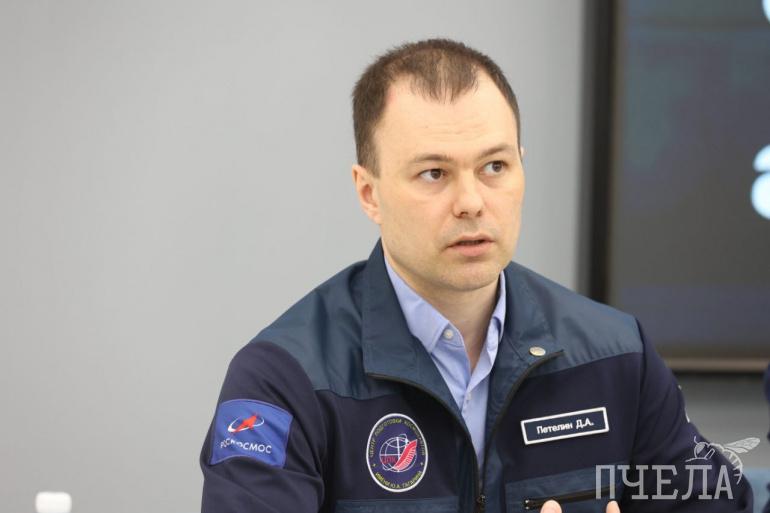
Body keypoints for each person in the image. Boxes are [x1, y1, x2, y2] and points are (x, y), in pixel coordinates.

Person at [200, 39, 753, 513]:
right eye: (433, 173)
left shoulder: (616, 356)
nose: (471, 201)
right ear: (369, 192)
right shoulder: (286, 379)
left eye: (494, 167)